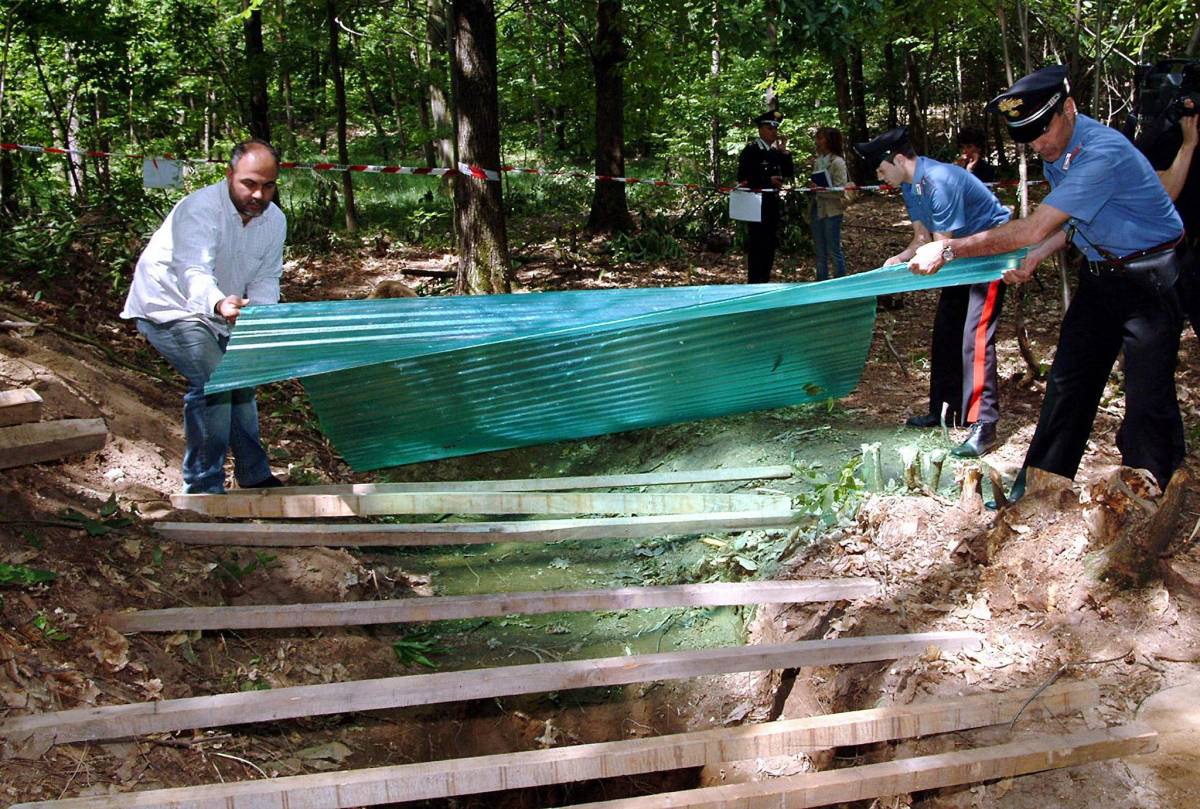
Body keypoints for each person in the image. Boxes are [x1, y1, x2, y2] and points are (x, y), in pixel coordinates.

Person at [909, 66, 1187, 503]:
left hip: (1148, 279)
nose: (1040, 144)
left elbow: (1034, 226)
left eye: (1043, 131)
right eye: (1029, 137)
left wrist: (948, 250)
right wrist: (1036, 257)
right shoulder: (1059, 150)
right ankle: (1039, 486)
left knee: (1147, 394)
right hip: (1101, 274)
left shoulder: (1102, 154)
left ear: (1069, 109)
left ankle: (1149, 493)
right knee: (1068, 383)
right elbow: (1072, 219)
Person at [121, 139, 287, 494]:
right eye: (249, 183)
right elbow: (192, 269)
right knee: (216, 382)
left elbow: (266, 277)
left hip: (221, 312)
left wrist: (261, 318)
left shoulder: (274, 220)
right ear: (230, 175)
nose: (258, 194)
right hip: (169, 306)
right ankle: (202, 485)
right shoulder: (200, 209)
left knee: (242, 382)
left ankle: (254, 476)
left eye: (267, 185)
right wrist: (217, 303)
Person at [855, 126, 1010, 458]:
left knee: (975, 337)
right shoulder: (911, 186)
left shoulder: (939, 181)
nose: (880, 177)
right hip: (959, 258)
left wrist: (922, 263)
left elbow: (942, 248)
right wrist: (896, 261)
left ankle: (983, 425)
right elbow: (922, 241)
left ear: (898, 160)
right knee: (946, 332)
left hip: (990, 256)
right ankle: (946, 410)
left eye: (881, 169)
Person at [737, 110, 795, 283]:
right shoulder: (752, 151)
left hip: (771, 204)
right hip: (755, 205)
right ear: (761, 130)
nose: (774, 132)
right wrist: (766, 180)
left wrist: (785, 154)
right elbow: (743, 178)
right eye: (770, 128)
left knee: (770, 245)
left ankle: (764, 280)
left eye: (775, 129)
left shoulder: (775, 152)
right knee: (757, 245)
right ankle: (754, 282)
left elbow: (788, 173)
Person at [810, 126, 849, 281]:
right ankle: (821, 284)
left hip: (832, 211)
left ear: (830, 141)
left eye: (821, 138)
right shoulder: (818, 161)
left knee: (834, 249)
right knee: (820, 251)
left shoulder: (838, 162)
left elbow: (840, 190)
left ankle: (841, 284)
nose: (818, 142)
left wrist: (820, 190)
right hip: (817, 209)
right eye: (817, 138)